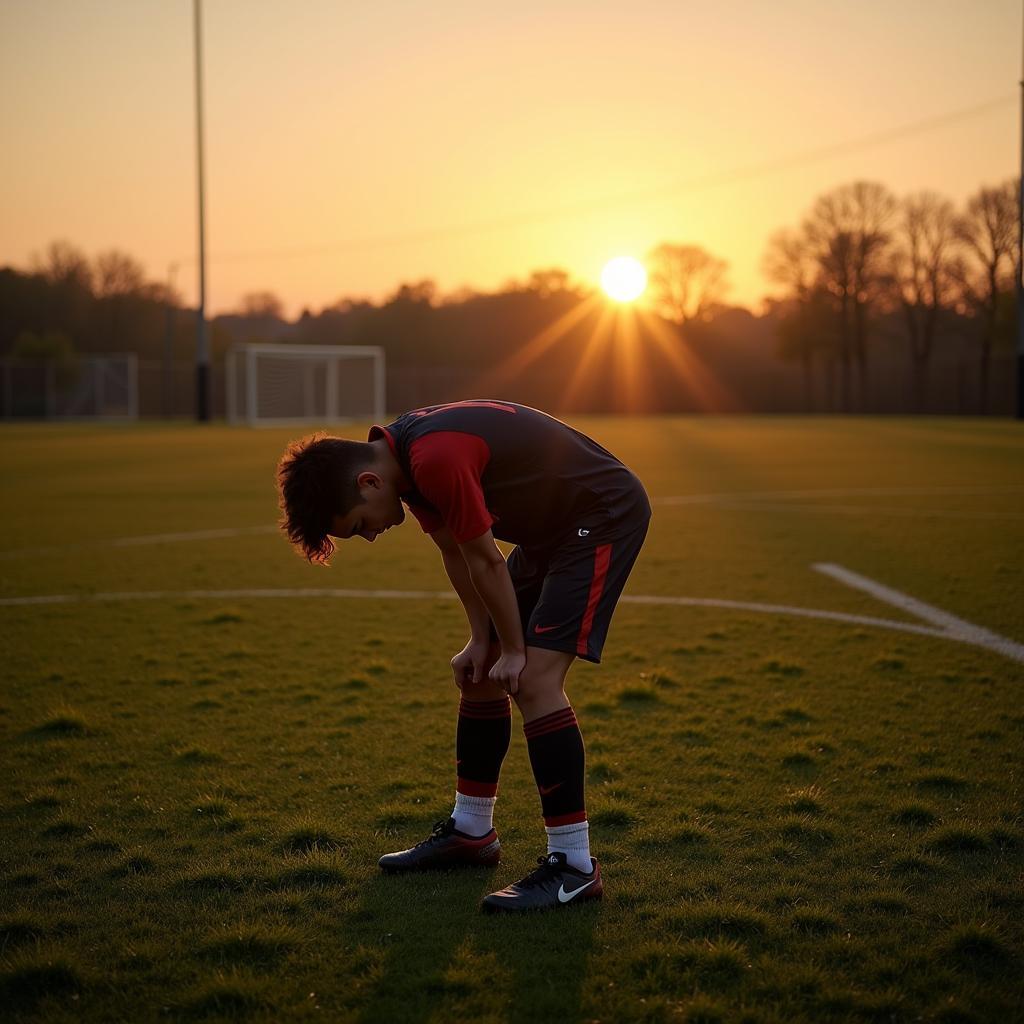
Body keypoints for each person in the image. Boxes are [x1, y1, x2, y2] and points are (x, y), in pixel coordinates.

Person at [276, 399, 651, 912]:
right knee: (479, 674)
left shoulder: (434, 458)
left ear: (368, 483)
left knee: (535, 679)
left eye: (359, 525)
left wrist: (516, 650)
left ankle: (574, 866)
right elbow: (457, 554)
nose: (369, 535)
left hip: (602, 513)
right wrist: (483, 639)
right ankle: (472, 833)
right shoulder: (405, 464)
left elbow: (486, 558)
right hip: (553, 528)